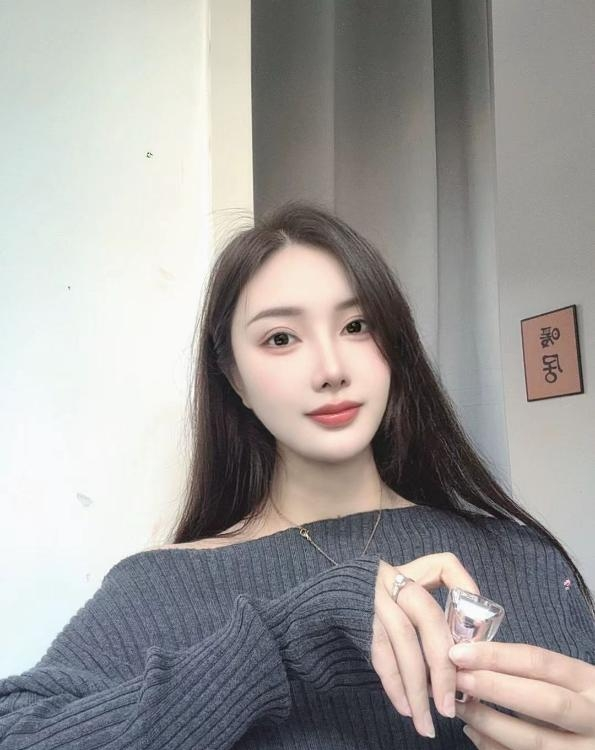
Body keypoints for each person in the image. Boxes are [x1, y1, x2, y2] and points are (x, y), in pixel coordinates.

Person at [1, 202, 593, 749]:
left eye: (357, 326)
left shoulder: (526, 560)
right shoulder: (157, 590)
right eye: (281, 338)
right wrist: (287, 638)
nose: (331, 369)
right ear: (233, 378)